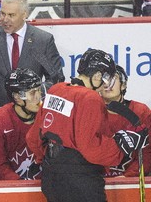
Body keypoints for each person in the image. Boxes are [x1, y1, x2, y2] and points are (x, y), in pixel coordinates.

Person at [26, 49, 149, 202]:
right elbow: (91, 148)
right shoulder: (90, 98)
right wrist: (121, 145)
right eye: (105, 79)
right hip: (80, 181)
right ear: (97, 75)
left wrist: (44, 161)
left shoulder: (56, 89)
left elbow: (33, 137)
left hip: (51, 177)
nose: (104, 85)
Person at [0, 68, 43, 180]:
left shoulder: (47, 117)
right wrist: (20, 187)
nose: (38, 97)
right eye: (33, 93)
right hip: (10, 189)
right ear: (17, 97)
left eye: (39, 90)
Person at [101, 65, 151, 177]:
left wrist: (128, 177)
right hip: (95, 179)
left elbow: (148, 151)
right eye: (103, 79)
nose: (107, 84)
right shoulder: (90, 110)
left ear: (123, 85)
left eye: (112, 79)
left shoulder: (140, 111)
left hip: (131, 180)